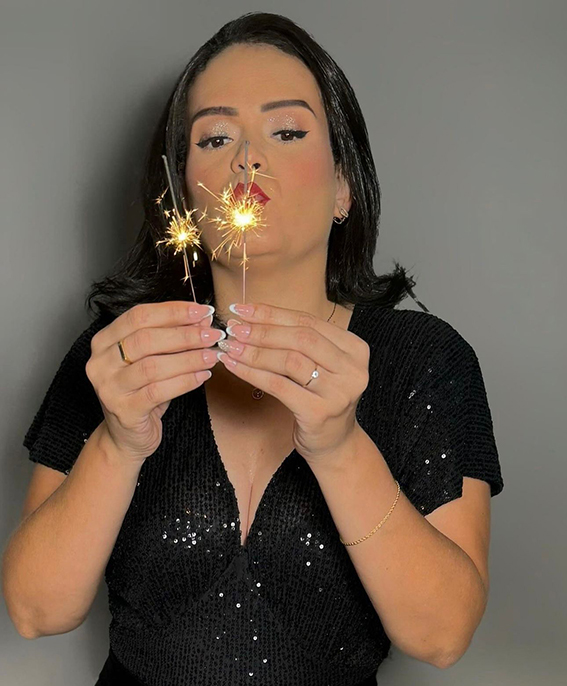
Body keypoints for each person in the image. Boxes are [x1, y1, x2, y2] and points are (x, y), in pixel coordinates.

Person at [2, 11, 504, 686]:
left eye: (287, 131)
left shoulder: (425, 360)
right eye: (215, 137)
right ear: (183, 194)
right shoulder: (118, 358)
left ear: (343, 186)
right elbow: (36, 611)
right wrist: (118, 443)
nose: (247, 158)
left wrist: (340, 446)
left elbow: (441, 637)